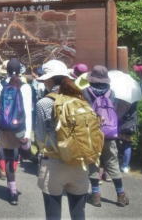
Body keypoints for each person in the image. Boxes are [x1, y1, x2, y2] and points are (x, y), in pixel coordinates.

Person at [34, 60, 88, 220]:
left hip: (54, 163)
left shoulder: (44, 103)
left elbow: (40, 137)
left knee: (53, 215)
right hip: (79, 162)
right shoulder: (80, 98)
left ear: (50, 80)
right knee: (79, 213)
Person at [83, 65, 129, 207]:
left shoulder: (85, 92)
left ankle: (96, 196)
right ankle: (121, 195)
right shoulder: (112, 93)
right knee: (113, 163)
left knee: (93, 164)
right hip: (109, 134)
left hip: (91, 133)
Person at [0, 58, 32, 205]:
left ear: (6, 70)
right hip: (20, 126)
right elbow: (28, 111)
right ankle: (25, 151)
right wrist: (27, 133)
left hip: (5, 127)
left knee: (8, 156)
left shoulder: (2, 85)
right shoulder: (25, 87)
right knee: (20, 153)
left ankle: (12, 190)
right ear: (20, 70)